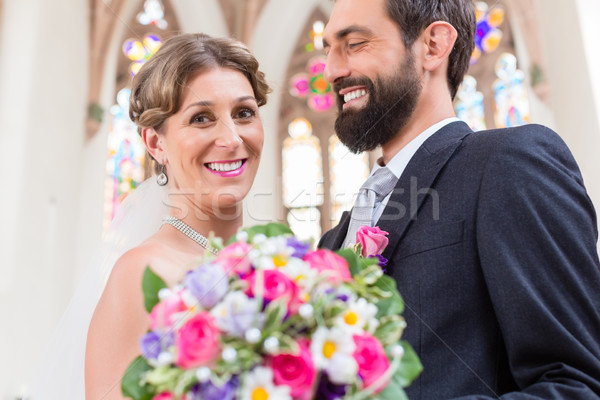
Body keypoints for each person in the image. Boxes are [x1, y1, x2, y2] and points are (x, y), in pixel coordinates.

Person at [319, 0, 600, 398]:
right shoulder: (333, 242)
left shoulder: (509, 163)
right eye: (328, 48)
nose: (332, 69)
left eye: (355, 44)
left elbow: (580, 383)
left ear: (433, 45)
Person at [29, 33, 270, 400]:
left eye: (244, 113)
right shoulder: (143, 272)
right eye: (202, 118)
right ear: (156, 144)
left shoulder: (278, 264)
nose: (233, 137)